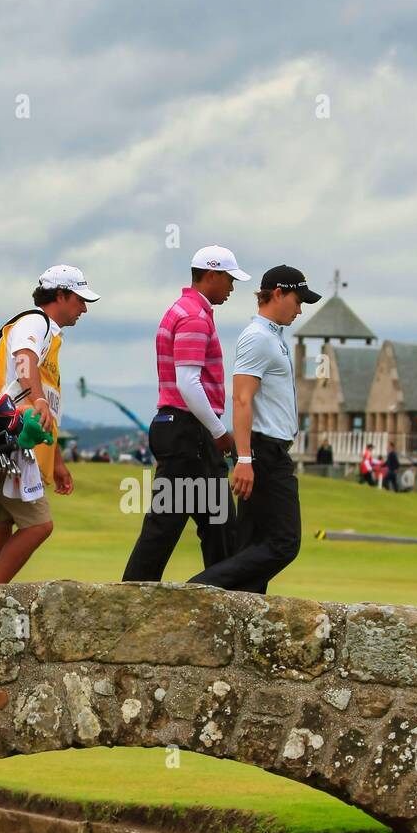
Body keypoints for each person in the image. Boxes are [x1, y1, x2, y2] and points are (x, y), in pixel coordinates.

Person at [187, 264, 321, 595]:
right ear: (277, 294)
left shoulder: (272, 337)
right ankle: (196, 590)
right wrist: (244, 459)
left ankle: (240, 613)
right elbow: (243, 399)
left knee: (251, 543)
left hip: (265, 449)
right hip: (264, 452)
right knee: (284, 542)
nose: (300, 308)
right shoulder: (258, 338)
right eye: (297, 299)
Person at [122, 245, 249, 581]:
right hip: (187, 430)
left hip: (179, 428)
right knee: (168, 523)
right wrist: (219, 431)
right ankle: (131, 598)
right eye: (229, 280)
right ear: (211, 275)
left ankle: (225, 595)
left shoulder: (185, 310)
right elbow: (189, 383)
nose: (232, 288)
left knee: (218, 522)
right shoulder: (194, 316)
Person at [0, 263, 99, 584]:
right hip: (8, 439)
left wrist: (56, 460)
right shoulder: (36, 322)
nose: (84, 308)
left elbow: (47, 411)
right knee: (39, 525)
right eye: (79, 299)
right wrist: (37, 398)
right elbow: (24, 357)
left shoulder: (49, 334)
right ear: (60, 295)